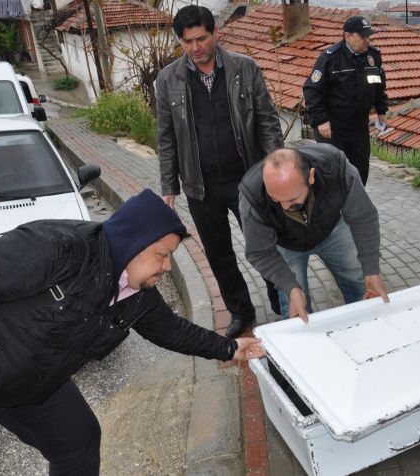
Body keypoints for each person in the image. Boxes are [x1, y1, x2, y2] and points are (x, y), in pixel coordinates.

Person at [0, 189, 264, 475]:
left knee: (78, 442)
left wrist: (230, 348)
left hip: (34, 385)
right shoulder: (58, 248)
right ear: (134, 242)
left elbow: (172, 330)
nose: (167, 267)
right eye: (162, 255)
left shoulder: (135, 294)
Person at [156, 5, 283, 338]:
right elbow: (166, 136)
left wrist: (276, 167)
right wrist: (168, 186)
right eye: (187, 42)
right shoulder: (168, 80)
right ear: (180, 42)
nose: (196, 47)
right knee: (219, 256)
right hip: (201, 188)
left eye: (201, 38)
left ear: (215, 33)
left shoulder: (244, 68)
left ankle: (281, 298)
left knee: (265, 244)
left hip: (249, 181)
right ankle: (241, 312)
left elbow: (268, 121)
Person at [238, 143, 389, 322]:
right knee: (294, 306)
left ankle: (369, 328)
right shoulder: (252, 195)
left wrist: (371, 270)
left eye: (292, 198)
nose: (285, 207)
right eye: (275, 199)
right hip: (286, 243)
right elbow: (260, 252)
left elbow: (363, 218)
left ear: (311, 176)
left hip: (332, 229)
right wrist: (290, 286)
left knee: (360, 283)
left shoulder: (337, 169)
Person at [303, 15, 388, 185]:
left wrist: (381, 111)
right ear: (348, 36)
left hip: (358, 125)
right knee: (334, 170)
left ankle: (355, 207)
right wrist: (321, 121)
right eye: (363, 37)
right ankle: (333, 209)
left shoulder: (373, 56)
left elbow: (379, 86)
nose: (367, 40)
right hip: (332, 127)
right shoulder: (330, 58)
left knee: (360, 170)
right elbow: (311, 90)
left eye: (368, 36)